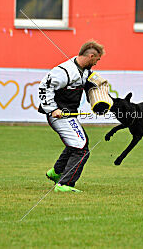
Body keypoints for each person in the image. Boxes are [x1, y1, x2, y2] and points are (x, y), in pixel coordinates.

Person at [38, 40, 104, 192]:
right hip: (59, 115)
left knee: (79, 142)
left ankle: (56, 173)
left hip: (69, 114)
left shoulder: (85, 71)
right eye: (97, 60)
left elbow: (92, 85)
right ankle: (64, 184)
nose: (96, 63)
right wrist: (52, 109)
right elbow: (44, 86)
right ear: (91, 56)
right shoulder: (65, 71)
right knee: (81, 148)